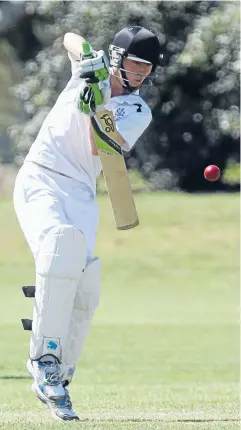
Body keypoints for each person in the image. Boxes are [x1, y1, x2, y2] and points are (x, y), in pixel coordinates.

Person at [13, 26, 162, 421]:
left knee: (85, 287)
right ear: (117, 57)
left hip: (81, 192)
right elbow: (69, 36)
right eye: (136, 63)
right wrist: (90, 62)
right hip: (41, 177)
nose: (143, 73)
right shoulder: (89, 68)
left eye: (148, 67)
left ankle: (59, 374)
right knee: (61, 250)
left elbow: (101, 145)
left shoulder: (137, 110)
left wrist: (97, 105)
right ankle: (42, 361)